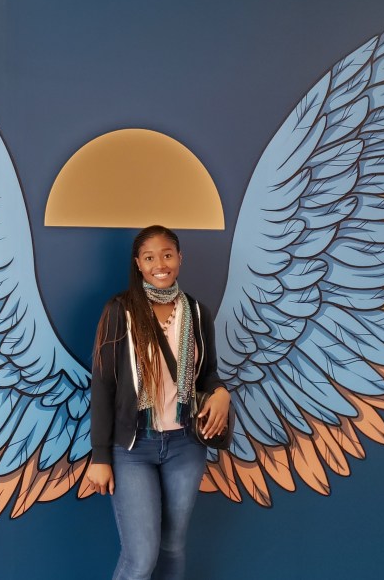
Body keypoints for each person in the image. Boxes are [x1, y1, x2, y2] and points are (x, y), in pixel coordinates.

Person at [89, 225, 231, 580]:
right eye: (149, 257)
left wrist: (222, 393)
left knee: (172, 548)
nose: (160, 264)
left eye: (167, 255)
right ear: (138, 264)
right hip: (133, 447)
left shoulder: (198, 314)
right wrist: (100, 457)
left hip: (185, 445)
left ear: (180, 259)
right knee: (141, 558)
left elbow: (207, 373)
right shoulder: (119, 311)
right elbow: (103, 387)